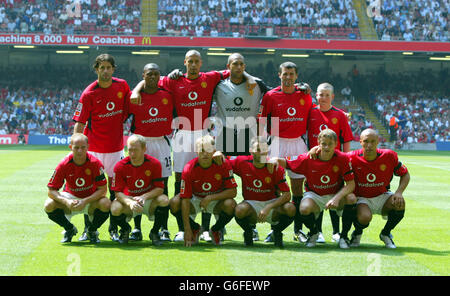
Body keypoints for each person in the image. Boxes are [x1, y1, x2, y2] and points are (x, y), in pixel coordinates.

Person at [130, 50, 253, 242]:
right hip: (182, 135)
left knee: (208, 173)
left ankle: (205, 228)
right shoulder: (173, 80)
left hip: (203, 133)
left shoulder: (210, 77)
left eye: (196, 61)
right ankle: (183, 227)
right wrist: (137, 90)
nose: (194, 65)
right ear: (185, 62)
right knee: (180, 178)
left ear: (201, 63)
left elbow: (235, 71)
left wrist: (252, 78)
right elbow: (151, 79)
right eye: (190, 61)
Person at [212, 52, 270, 241]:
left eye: (242, 64)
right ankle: (219, 225)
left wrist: (301, 88)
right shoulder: (218, 84)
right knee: (220, 183)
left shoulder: (257, 84)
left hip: (249, 138)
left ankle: (251, 225)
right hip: (225, 138)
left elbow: (278, 94)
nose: (239, 67)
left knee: (251, 182)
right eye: (235, 64)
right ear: (228, 66)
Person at [72, 53, 130, 242]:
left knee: (115, 192)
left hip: (115, 149)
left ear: (113, 69)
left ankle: (113, 229)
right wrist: (75, 146)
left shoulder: (122, 86)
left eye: (108, 67)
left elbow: (129, 109)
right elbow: (80, 123)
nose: (105, 71)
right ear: (96, 69)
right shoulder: (89, 93)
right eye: (101, 67)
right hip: (94, 149)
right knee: (90, 191)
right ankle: (88, 229)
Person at [271, 129, 356, 248]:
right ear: (318, 143)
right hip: (315, 195)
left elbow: (351, 184)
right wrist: (276, 160)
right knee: (304, 208)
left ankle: (344, 237)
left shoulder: (342, 158)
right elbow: (288, 162)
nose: (326, 147)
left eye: (330, 144)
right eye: (323, 144)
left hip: (335, 194)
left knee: (351, 199)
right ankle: (314, 233)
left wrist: (336, 198)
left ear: (336, 144)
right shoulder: (308, 158)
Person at [258, 61, 313, 243]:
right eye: (285, 74)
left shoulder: (305, 95)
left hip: (298, 144)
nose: (288, 77)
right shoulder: (271, 96)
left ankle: (298, 230)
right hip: (277, 143)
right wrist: (262, 144)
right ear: (279, 75)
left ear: (296, 76)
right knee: (276, 187)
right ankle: (276, 230)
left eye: (291, 74)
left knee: (298, 188)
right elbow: (263, 123)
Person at [126, 63, 174, 242]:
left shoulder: (168, 95)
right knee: (136, 184)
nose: (152, 77)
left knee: (164, 185)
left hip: (161, 142)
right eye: (149, 74)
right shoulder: (134, 97)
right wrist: (137, 89)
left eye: (156, 74)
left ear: (159, 76)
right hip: (140, 142)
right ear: (143, 75)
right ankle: (136, 228)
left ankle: (163, 228)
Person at [169, 135, 238, 246]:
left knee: (231, 204)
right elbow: (185, 199)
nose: (205, 153)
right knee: (174, 203)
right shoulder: (188, 168)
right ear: (196, 151)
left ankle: (215, 230)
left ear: (214, 151)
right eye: (201, 150)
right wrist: (187, 229)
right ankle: (195, 228)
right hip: (195, 199)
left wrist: (210, 198)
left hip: (215, 200)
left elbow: (233, 192)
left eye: (208, 150)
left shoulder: (223, 163)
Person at [347, 128, 409, 248]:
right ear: (360, 142)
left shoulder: (389, 156)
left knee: (400, 203)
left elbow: (405, 174)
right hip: (362, 198)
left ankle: (385, 234)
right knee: (364, 217)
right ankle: (357, 233)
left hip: (383, 197)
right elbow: (333, 157)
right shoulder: (351, 157)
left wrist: (399, 192)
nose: (369, 145)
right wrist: (315, 150)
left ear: (378, 142)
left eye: (372, 141)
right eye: (366, 141)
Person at [307, 83, 354, 243]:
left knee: (334, 193)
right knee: (318, 193)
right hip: (316, 162)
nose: (324, 98)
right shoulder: (310, 112)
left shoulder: (340, 115)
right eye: (321, 94)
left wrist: (346, 160)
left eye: (327, 95)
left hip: (335, 163)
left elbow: (346, 139)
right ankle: (318, 231)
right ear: (316, 96)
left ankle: (336, 231)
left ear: (332, 97)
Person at [44, 133, 111, 243]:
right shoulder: (63, 164)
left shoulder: (95, 163)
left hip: (90, 198)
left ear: (88, 147)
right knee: (49, 205)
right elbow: (51, 191)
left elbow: (103, 190)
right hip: (70, 198)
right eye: (76, 148)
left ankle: (92, 231)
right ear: (71, 147)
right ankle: (69, 229)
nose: (80, 151)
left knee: (106, 204)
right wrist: (66, 201)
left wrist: (85, 201)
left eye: (83, 147)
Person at [230, 136, 295, 248]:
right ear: (251, 150)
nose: (262, 153)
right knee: (239, 210)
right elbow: (223, 161)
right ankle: (248, 231)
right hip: (251, 204)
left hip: (272, 204)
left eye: (264, 150)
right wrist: (218, 154)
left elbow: (287, 195)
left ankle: (277, 231)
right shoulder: (242, 162)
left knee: (291, 208)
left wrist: (269, 207)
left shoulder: (274, 167)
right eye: (258, 150)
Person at [110, 134, 169, 245]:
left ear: (144, 149)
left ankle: (155, 232)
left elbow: (160, 189)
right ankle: (125, 229)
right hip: (129, 201)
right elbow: (117, 192)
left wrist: (144, 197)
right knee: (114, 207)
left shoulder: (154, 164)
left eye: (135, 150)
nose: (132, 154)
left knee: (164, 200)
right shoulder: (120, 166)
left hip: (148, 201)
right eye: (130, 150)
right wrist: (130, 202)